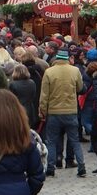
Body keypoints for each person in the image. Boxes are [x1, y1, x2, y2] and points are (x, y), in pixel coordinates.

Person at [39, 48, 86, 178]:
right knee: (75, 140)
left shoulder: (49, 72)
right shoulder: (75, 70)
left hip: (53, 111)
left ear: (56, 59)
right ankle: (81, 166)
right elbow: (80, 88)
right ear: (67, 59)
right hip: (71, 110)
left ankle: (51, 167)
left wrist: (42, 111)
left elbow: (44, 95)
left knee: (52, 141)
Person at [8, 63, 38, 129]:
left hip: (17, 109)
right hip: (30, 108)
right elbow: (34, 95)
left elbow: (11, 99)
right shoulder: (32, 83)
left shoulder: (13, 84)